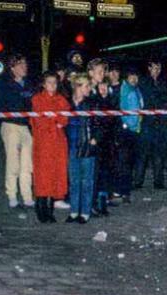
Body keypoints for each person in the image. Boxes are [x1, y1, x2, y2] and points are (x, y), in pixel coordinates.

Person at [0, 54, 35, 209]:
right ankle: (12, 195)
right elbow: (3, 105)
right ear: (12, 68)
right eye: (20, 65)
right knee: (13, 162)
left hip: (25, 126)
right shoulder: (4, 84)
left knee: (27, 163)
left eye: (25, 64)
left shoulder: (29, 84)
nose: (24, 67)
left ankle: (27, 196)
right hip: (10, 125)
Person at [30, 71, 70, 223]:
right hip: (43, 142)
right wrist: (55, 122)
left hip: (58, 143)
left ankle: (50, 209)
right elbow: (40, 121)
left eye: (54, 82)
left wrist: (55, 120)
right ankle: (41, 209)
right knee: (43, 175)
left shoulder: (61, 99)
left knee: (55, 175)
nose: (52, 85)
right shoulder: (37, 99)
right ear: (43, 84)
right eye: (49, 82)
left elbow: (64, 118)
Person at [65, 73, 102, 224]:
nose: (89, 88)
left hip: (87, 145)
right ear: (78, 87)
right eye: (86, 85)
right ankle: (74, 211)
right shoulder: (67, 103)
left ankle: (85, 212)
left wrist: (96, 138)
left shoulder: (92, 103)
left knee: (87, 180)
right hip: (71, 145)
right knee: (74, 180)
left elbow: (99, 123)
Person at [85, 58, 114, 216]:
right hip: (95, 135)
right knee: (93, 172)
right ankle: (91, 203)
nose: (102, 74)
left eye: (103, 71)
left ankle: (102, 202)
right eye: (99, 71)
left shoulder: (106, 89)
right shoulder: (88, 90)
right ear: (91, 73)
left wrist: (105, 98)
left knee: (104, 170)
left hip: (106, 136)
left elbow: (111, 113)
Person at [136, 59, 167, 190]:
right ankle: (138, 181)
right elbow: (149, 99)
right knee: (142, 154)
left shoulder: (162, 82)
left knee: (158, 154)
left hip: (160, 123)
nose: (157, 70)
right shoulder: (144, 82)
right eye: (154, 67)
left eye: (159, 68)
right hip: (147, 123)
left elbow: (165, 100)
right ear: (149, 68)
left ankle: (158, 182)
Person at [116, 65, 144, 201]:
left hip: (135, 130)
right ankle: (123, 190)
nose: (134, 79)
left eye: (136, 76)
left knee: (130, 161)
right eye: (131, 76)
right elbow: (120, 108)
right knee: (124, 162)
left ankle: (125, 189)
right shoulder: (124, 90)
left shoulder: (136, 90)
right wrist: (126, 123)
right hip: (126, 130)